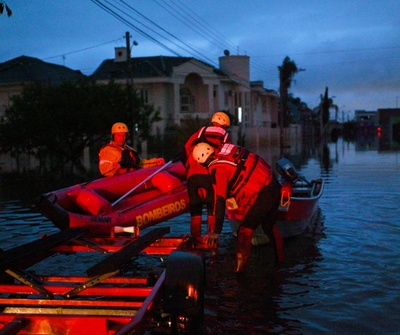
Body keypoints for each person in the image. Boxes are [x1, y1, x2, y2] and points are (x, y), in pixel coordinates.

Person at [192, 142, 284, 273]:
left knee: (244, 232)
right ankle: (280, 264)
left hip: (264, 193)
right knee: (269, 227)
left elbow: (220, 200)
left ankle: (239, 273)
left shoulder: (217, 170)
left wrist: (216, 231)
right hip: (273, 184)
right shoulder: (226, 153)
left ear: (201, 162)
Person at [181, 112, 231, 239]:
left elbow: (186, 148)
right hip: (209, 175)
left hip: (192, 176)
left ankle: (195, 241)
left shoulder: (201, 131)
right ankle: (211, 239)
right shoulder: (224, 135)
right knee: (211, 208)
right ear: (224, 125)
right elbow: (227, 156)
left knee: (195, 210)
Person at [99, 122, 164, 177]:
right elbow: (103, 169)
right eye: (119, 135)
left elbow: (140, 164)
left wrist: (156, 162)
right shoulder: (107, 150)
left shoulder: (130, 149)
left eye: (124, 135)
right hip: (117, 180)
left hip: (132, 178)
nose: (122, 138)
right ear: (113, 136)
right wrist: (113, 167)